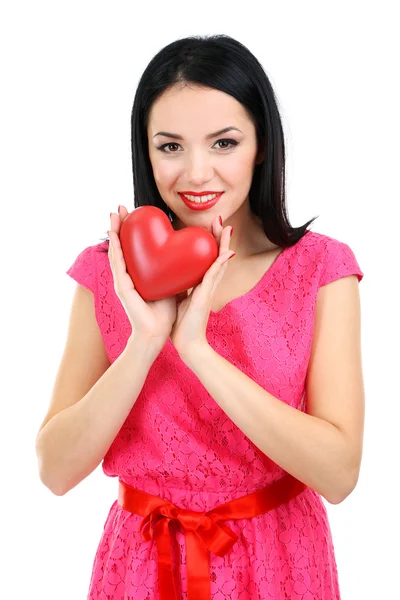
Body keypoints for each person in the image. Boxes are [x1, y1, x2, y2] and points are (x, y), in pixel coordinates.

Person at [35, 34, 365, 599]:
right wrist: (145, 340)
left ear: (261, 144)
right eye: (170, 147)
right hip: (143, 561)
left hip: (278, 561)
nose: (196, 173)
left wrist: (198, 351)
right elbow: (56, 471)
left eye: (223, 143)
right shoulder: (106, 272)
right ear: (145, 149)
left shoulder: (321, 268)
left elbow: (338, 475)